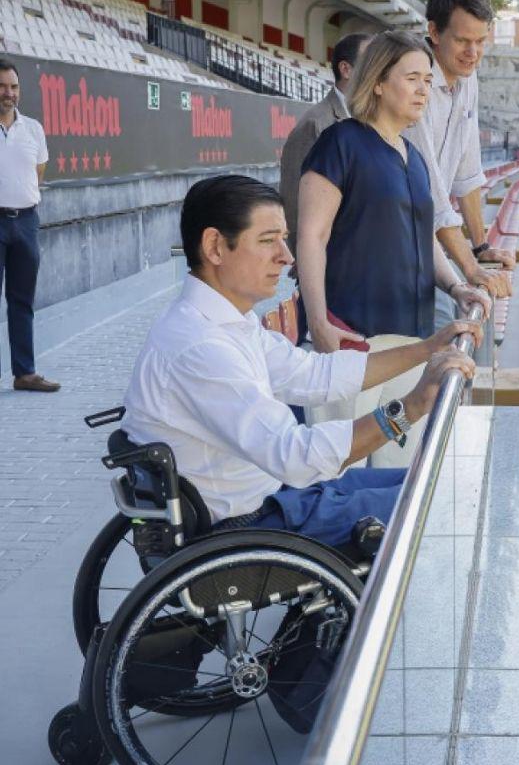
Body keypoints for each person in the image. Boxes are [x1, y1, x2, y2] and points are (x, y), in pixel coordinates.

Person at [121, 174, 479, 546]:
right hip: (254, 520)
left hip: (276, 493)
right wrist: (409, 408)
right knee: (440, 502)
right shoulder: (202, 348)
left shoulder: (226, 322)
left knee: (430, 479)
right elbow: (295, 455)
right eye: (267, 241)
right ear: (214, 247)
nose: (287, 257)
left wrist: (427, 349)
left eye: (284, 239)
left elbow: (314, 375)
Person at [296, 30, 491, 468]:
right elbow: (311, 236)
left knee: (395, 471)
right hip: (353, 341)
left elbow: (423, 238)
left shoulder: (413, 156)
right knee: (338, 467)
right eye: (412, 78)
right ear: (379, 83)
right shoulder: (340, 142)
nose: (424, 89)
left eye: (427, 79)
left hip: (409, 342)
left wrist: (457, 287)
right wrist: (319, 323)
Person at [406, 0, 516, 331]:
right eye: (463, 40)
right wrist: (470, 267)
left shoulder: (468, 78)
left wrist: (480, 244)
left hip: (428, 237)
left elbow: (467, 171)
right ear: (434, 32)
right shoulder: (413, 82)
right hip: (394, 238)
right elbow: (431, 191)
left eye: (481, 41)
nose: (473, 52)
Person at [279, 32, 370, 252]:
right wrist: (306, 258)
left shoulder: (373, 120)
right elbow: (294, 199)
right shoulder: (315, 124)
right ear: (346, 69)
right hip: (328, 261)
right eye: (370, 61)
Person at [0, 58, 58, 392]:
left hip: (25, 222)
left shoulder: (33, 129)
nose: (9, 93)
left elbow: (37, 172)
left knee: (22, 301)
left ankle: (25, 373)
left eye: (14, 87)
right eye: (3, 86)